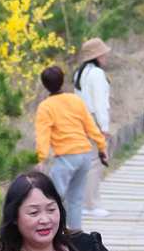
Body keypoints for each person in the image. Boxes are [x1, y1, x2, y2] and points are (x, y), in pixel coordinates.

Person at [35, 65, 108, 228]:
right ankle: (76, 235)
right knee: (75, 199)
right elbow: (91, 127)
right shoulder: (76, 100)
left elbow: (43, 135)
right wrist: (102, 147)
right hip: (84, 154)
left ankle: (57, 234)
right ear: (62, 81)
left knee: (53, 198)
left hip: (66, 157)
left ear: (44, 84)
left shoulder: (45, 107)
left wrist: (41, 158)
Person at [72, 37, 112, 218]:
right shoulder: (97, 74)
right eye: (104, 53)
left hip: (81, 120)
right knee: (96, 162)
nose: (106, 56)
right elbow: (100, 103)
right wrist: (104, 127)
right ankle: (92, 203)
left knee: (86, 162)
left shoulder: (80, 73)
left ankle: (84, 202)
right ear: (98, 56)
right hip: (94, 119)